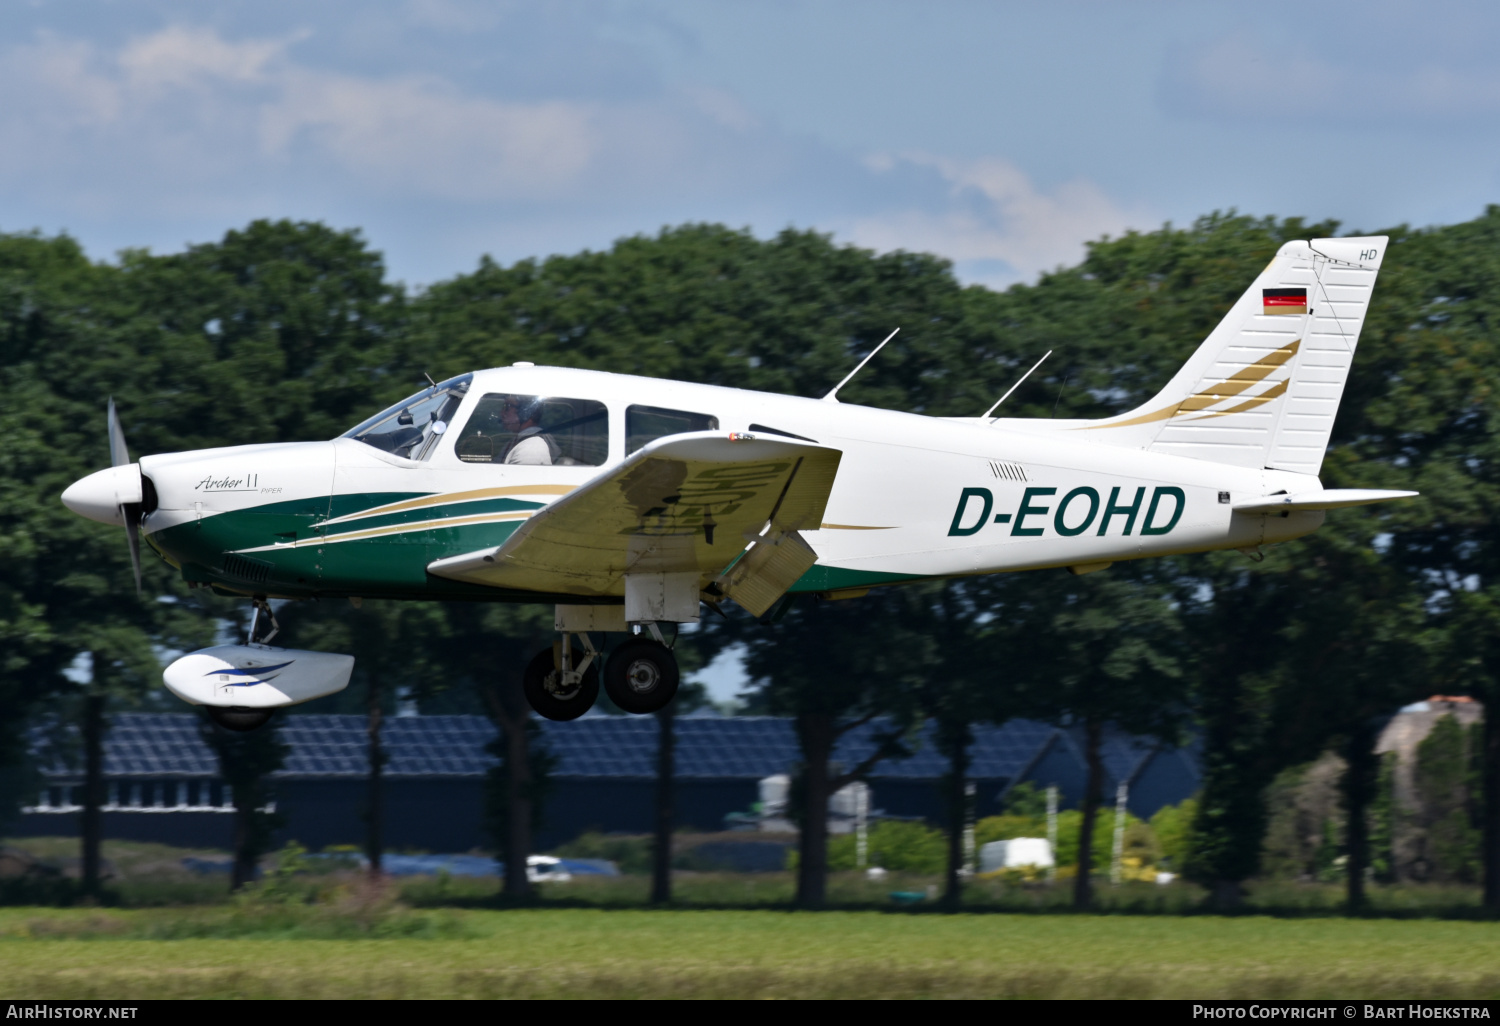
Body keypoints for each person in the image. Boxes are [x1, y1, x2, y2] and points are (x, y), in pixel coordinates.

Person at [499, 396, 560, 465]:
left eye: (507, 407)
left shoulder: (531, 447)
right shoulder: (515, 442)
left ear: (525, 413)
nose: (502, 413)